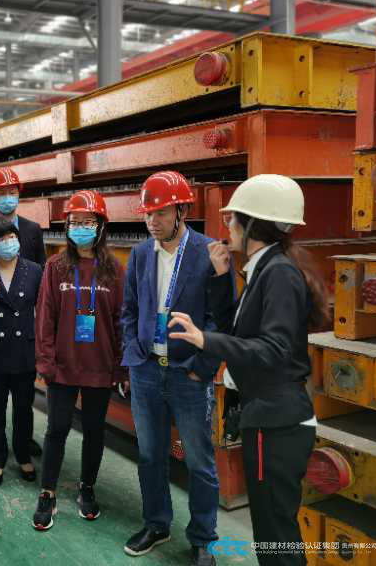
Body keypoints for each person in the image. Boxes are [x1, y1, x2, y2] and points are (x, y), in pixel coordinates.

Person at [169, 174, 326, 566]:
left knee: (275, 534)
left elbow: (273, 349)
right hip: (269, 416)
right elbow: (239, 332)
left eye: (233, 218)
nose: (228, 226)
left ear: (253, 224)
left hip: (276, 422)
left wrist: (205, 341)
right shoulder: (263, 268)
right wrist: (221, 278)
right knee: (271, 529)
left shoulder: (279, 274)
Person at [121, 171, 222, 566]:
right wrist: (134, 353)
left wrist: (202, 368)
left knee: (199, 461)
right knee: (150, 455)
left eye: (160, 213)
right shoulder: (141, 254)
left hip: (187, 373)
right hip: (147, 370)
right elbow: (130, 310)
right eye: (148, 214)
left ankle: (203, 539)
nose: (152, 221)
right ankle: (157, 523)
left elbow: (219, 318)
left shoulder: (207, 253)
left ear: (182, 210)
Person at [32, 189, 124, 531]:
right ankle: (48, 492)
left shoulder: (114, 270)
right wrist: (46, 361)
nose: (80, 228)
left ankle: (87, 487)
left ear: (100, 226)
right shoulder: (55, 267)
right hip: (63, 367)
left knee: (94, 431)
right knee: (56, 430)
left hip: (100, 366)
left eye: (88, 222)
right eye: (74, 222)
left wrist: (120, 367)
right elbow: (45, 317)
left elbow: (121, 321)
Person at [0, 167, 46, 459]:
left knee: (24, 398)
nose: (7, 197)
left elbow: (40, 275)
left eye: (12, 192)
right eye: (1, 192)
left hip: (23, 322)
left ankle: (23, 443)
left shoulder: (32, 230)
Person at [0, 219, 42, 487]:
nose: (8, 243)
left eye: (11, 237)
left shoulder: (35, 270)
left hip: (24, 349)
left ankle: (23, 455)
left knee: (23, 408)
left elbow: (43, 310)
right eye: (1, 239)